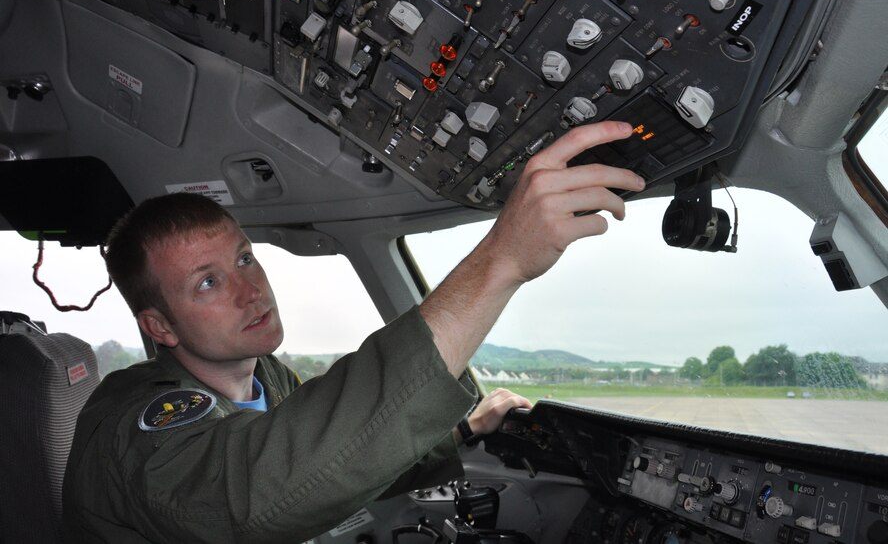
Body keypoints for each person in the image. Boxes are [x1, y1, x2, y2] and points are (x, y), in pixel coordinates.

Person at [63, 121, 644, 543]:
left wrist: (464, 428)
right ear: (159, 325)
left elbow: (341, 458)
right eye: (207, 283)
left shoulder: (267, 378)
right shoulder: (134, 424)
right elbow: (250, 495)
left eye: (243, 260)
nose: (249, 289)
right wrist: (502, 259)